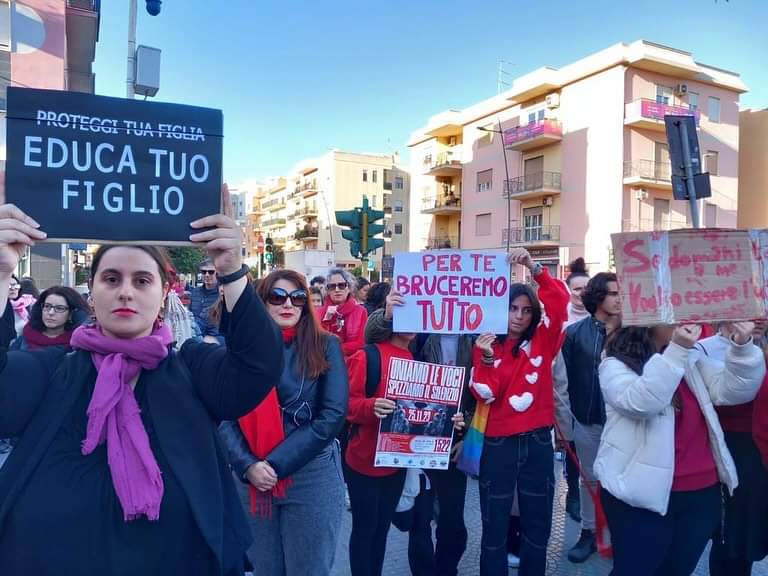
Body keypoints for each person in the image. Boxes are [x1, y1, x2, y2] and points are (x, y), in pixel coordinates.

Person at [0, 201, 283, 576]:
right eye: (112, 279)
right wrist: (2, 273)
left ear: (164, 293)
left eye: (142, 280)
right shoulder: (52, 370)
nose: (126, 292)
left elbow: (257, 367)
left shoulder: (191, 368)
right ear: (92, 293)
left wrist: (231, 272)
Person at [595, 323, 765, 576]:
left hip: (700, 494)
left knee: (677, 569)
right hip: (642, 498)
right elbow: (641, 403)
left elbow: (733, 391)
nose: (685, 322)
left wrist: (741, 347)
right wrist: (676, 350)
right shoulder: (615, 363)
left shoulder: (692, 358)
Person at [219, 269, 348, 576]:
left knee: (308, 570)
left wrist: (274, 465)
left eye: (298, 297)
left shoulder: (326, 345)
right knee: (266, 570)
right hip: (252, 478)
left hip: (311, 476)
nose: (287, 304)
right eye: (277, 297)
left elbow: (332, 415)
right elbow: (223, 413)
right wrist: (248, 466)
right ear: (262, 302)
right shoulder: (239, 347)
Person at [470, 247, 570, 576]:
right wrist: (485, 360)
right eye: (512, 308)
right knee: (494, 527)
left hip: (538, 442)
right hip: (498, 443)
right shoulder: (486, 343)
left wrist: (534, 267)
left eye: (527, 310)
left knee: (537, 526)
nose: (519, 315)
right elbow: (486, 393)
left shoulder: (544, 339)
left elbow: (558, 301)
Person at [366, 293, 474, 575]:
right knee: (419, 520)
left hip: (455, 440)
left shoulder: (480, 336)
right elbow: (373, 334)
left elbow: (486, 394)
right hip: (415, 438)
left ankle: (446, 569)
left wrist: (470, 433)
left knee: (453, 522)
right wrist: (387, 313)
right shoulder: (419, 332)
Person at [554, 272, 621, 563]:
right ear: (598, 297)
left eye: (621, 293)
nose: (619, 299)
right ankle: (589, 532)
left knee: (622, 481)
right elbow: (561, 382)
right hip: (587, 421)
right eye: (613, 293)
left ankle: (620, 534)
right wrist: (565, 428)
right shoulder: (573, 333)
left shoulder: (635, 331)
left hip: (626, 423)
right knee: (589, 480)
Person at [345, 296, 413, 576]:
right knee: (365, 528)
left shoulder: (413, 359)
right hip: (363, 461)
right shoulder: (367, 355)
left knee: (382, 529)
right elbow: (346, 405)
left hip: (395, 463)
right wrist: (370, 406)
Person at [698, 321, 768, 576]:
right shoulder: (702, 350)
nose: (760, 319)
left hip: (761, 457)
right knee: (732, 539)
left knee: (753, 537)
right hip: (731, 456)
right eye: (750, 311)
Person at [10, 286, 90, 350]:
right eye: (47, 306)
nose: (51, 312)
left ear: (71, 313)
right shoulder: (25, 338)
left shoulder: (79, 345)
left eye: (59, 308)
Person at [319, 267, 368, 358]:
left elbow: (361, 343)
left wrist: (334, 349)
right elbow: (317, 342)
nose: (337, 290)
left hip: (351, 363)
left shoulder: (360, 311)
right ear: (328, 290)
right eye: (332, 286)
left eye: (341, 285)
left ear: (349, 288)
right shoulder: (319, 312)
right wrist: (326, 320)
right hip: (324, 362)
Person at [189, 258, 224, 344]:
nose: (207, 275)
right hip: (194, 336)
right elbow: (190, 313)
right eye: (204, 272)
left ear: (217, 273)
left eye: (211, 272)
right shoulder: (195, 292)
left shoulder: (222, 293)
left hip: (216, 339)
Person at [564, 257, 590, 328]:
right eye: (577, 289)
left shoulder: (599, 314)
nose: (582, 293)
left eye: (586, 288)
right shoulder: (560, 314)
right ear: (567, 290)